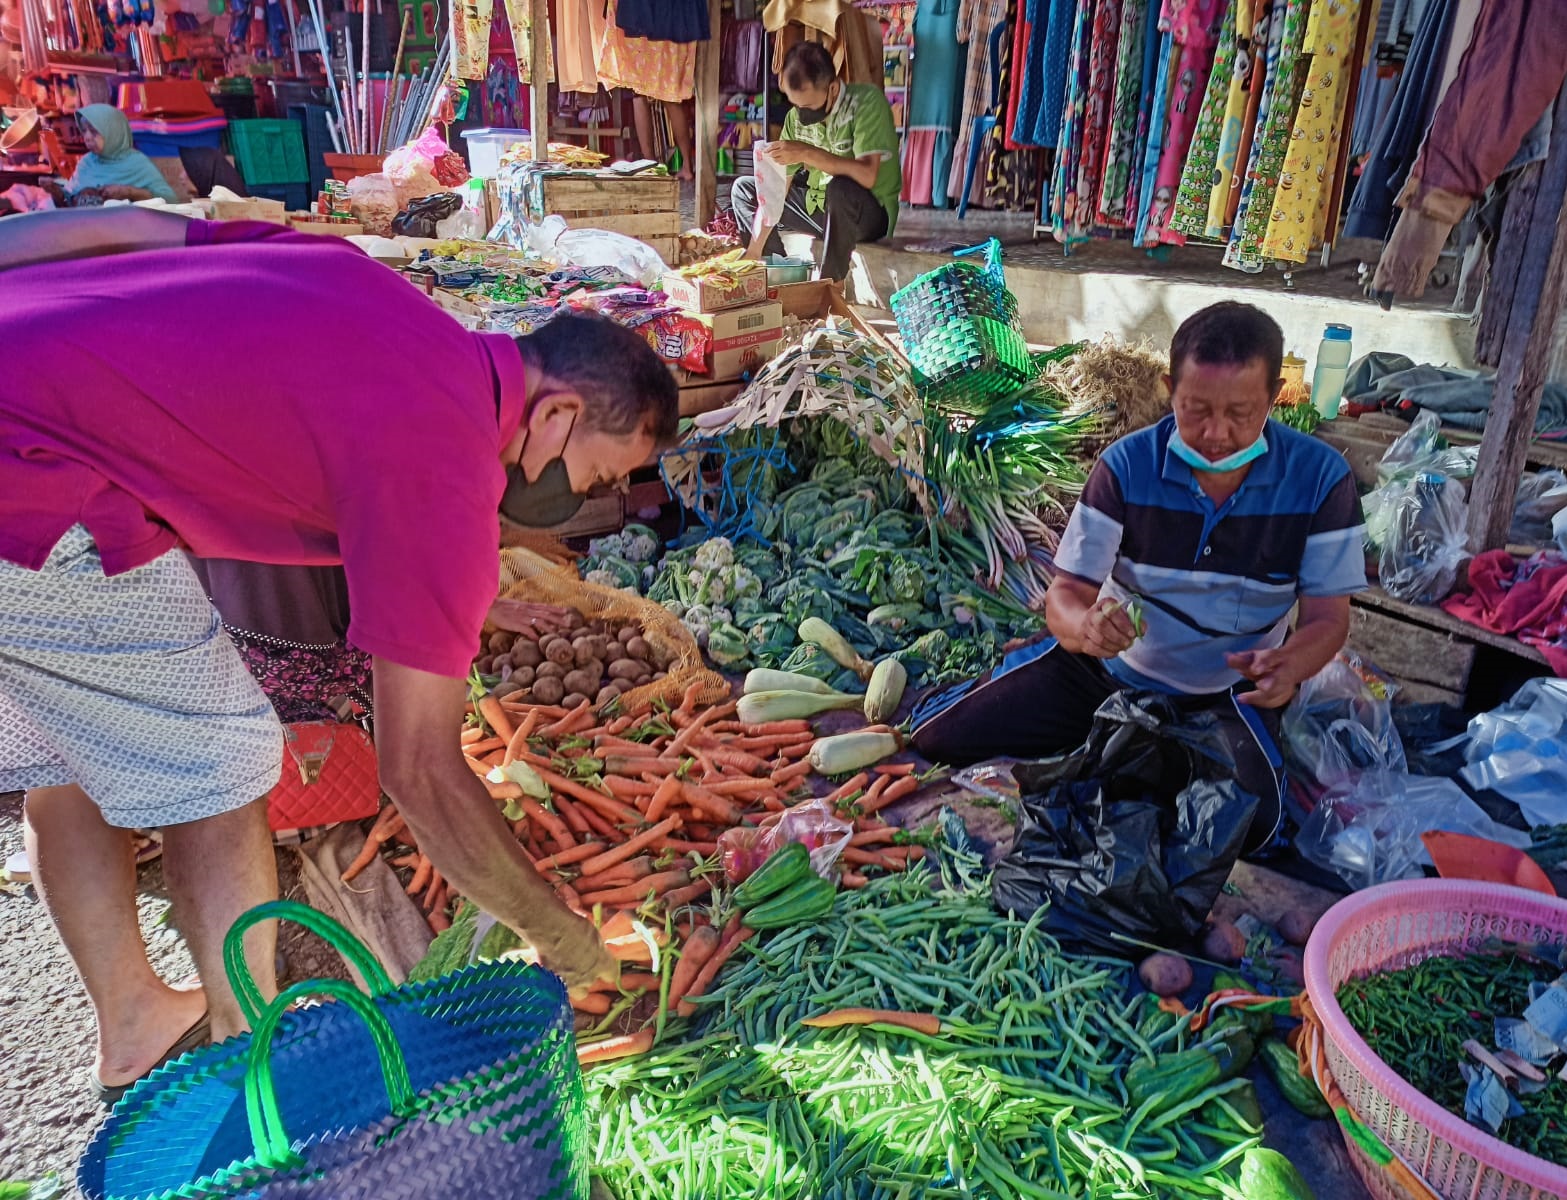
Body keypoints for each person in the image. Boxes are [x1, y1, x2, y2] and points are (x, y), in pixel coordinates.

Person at [0, 206, 677, 1098]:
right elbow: (421, 773)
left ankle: (134, 1021)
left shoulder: (363, 281)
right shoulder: (448, 468)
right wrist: (561, 937)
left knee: (74, 744)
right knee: (226, 759)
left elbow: (119, 227)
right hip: (37, 473)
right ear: (555, 414)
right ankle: (252, 1056)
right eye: (594, 474)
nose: (585, 494)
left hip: (27, 413)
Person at [911, 302, 1368, 855]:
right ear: (1169, 387)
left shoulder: (1320, 479)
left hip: (1225, 696)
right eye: (1196, 409)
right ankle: (1100, 729)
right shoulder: (1127, 466)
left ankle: (1124, 748)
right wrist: (1086, 628)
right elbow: (1066, 594)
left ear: (1274, 398)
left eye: (1241, 413)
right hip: (1105, 673)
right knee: (936, 740)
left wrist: (1289, 666)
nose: (1216, 434)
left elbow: (1327, 620)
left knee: (1251, 828)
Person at [731, 41, 901, 281]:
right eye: (796, 105)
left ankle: (828, 284)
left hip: (866, 216)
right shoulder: (794, 118)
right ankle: (780, 272)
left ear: (832, 89)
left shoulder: (865, 104)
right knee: (745, 189)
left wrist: (806, 153)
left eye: (808, 106)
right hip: (818, 210)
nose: (801, 114)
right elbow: (777, 190)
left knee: (840, 188)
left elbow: (867, 174)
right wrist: (753, 250)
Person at [66, 105, 181, 204]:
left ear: (113, 132)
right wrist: (58, 192)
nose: (87, 138)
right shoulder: (86, 163)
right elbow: (69, 197)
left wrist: (130, 192)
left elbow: (170, 201)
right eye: (84, 131)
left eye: (94, 131)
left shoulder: (137, 163)